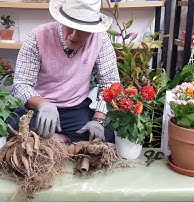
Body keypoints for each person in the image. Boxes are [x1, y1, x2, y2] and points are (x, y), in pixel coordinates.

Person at [10, 0, 120, 143]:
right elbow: (21, 84)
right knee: (13, 130)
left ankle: (54, 142)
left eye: (82, 30)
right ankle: (66, 143)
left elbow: (110, 85)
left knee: (105, 136)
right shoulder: (38, 36)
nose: (74, 35)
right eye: (70, 26)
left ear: (93, 29)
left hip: (75, 110)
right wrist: (43, 104)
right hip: (39, 108)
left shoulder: (101, 40)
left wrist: (99, 119)